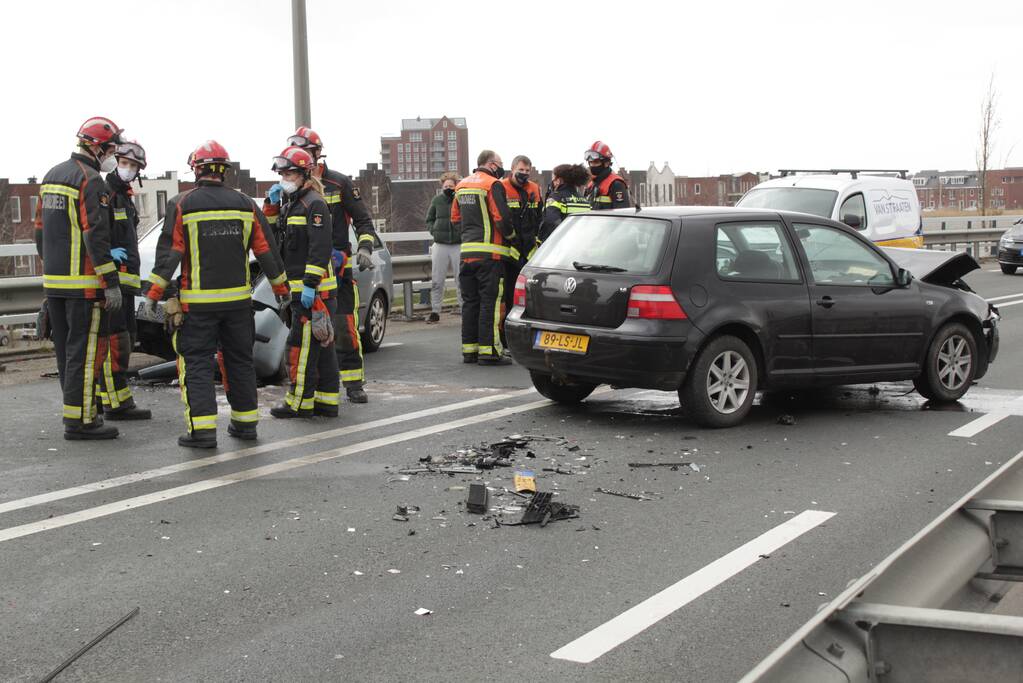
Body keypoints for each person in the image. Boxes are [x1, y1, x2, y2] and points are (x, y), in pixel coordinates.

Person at [143, 141, 289, 448]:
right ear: (224, 170)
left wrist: (154, 294)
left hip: (197, 307)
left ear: (196, 169)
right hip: (238, 305)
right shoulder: (245, 204)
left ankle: (203, 431)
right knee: (239, 362)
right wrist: (281, 290)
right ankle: (246, 425)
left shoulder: (183, 203)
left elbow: (170, 254)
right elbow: (266, 251)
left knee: (195, 363)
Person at [36, 117, 125, 440]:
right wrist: (110, 282)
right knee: (86, 353)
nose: (113, 154)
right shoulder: (90, 180)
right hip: (84, 287)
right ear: (96, 146)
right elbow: (95, 236)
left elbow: (39, 232)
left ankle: (75, 410)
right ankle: (82, 421)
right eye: (112, 148)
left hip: (55, 283)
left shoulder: (52, 176)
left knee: (65, 353)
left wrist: (53, 270)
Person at [286, 127, 376, 404]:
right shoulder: (293, 190)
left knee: (344, 325)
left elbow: (362, 219)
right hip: (308, 273)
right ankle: (319, 391)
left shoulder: (339, 183)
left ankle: (353, 383)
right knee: (310, 335)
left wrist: (364, 247)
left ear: (316, 154)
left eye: (308, 152)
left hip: (339, 268)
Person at [262, 146, 339, 419]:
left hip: (313, 290)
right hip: (302, 288)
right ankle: (327, 401)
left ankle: (299, 402)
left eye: (289, 173)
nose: (284, 178)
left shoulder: (313, 203)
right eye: (282, 173)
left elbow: (319, 249)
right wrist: (271, 207)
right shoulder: (291, 203)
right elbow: (272, 239)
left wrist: (310, 284)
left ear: (305, 173)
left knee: (301, 346)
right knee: (322, 347)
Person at [99, 140, 151, 420]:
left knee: (126, 339)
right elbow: (93, 235)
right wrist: (107, 253)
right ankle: (115, 403)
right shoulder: (105, 193)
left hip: (126, 283)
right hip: (113, 282)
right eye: (125, 163)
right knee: (115, 341)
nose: (128, 169)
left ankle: (114, 398)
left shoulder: (124, 197)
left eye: (133, 166)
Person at [451, 150, 514, 366]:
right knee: (491, 303)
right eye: (501, 163)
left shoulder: (461, 185)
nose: (501, 167)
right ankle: (490, 351)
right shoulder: (493, 184)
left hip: (467, 253)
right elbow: (501, 217)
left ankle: (470, 350)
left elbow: (455, 218)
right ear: (491, 164)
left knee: (470, 302)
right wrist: (512, 238)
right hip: (490, 255)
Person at [499, 156, 542, 346]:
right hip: (509, 252)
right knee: (509, 297)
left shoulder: (534, 189)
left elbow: (539, 217)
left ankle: (527, 338)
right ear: (512, 168)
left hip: (529, 252)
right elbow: (500, 219)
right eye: (521, 170)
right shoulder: (502, 187)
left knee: (530, 298)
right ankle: (507, 339)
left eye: (527, 170)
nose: (524, 173)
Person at [425, 172, 461, 323]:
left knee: (461, 280)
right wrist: (434, 230)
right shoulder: (436, 200)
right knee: (437, 280)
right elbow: (429, 219)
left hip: (458, 245)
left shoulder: (460, 200)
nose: (448, 188)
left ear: (456, 186)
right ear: (442, 186)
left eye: (451, 186)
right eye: (446, 186)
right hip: (440, 245)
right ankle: (435, 311)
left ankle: (464, 309)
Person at [536, 164, 592, 251]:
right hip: (580, 245)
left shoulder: (556, 197)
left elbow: (551, 222)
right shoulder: (583, 199)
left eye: (553, 179)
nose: (553, 182)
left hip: (559, 248)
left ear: (559, 180)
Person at [584, 141, 630, 210]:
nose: (592, 166)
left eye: (596, 162)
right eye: (590, 163)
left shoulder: (616, 184)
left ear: (606, 163)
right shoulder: (591, 185)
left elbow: (622, 215)